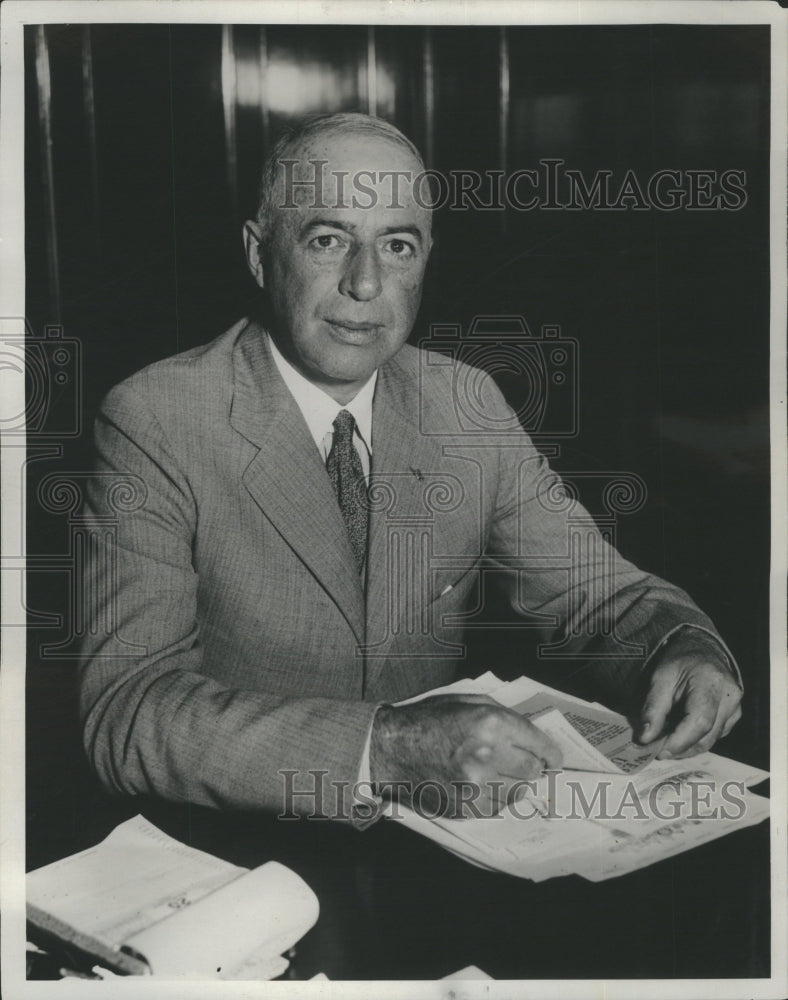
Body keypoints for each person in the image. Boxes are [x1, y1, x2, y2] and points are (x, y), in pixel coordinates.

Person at [79, 112, 742, 826]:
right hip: (238, 852)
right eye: (329, 240)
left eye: (397, 245)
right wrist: (385, 749)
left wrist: (687, 647)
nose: (365, 284)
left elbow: (605, 600)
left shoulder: (465, 404)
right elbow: (126, 711)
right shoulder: (157, 416)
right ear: (259, 252)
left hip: (445, 848)